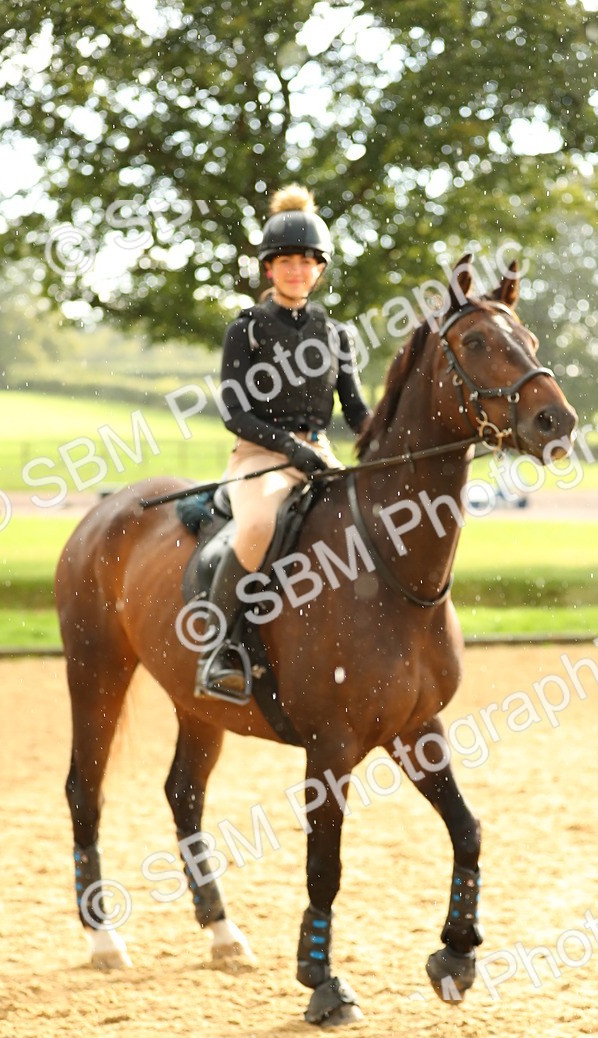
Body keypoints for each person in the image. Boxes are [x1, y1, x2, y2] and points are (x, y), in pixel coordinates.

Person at [195, 185, 371, 702]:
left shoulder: (337, 336)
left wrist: (396, 436)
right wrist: (292, 451)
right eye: (286, 262)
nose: (297, 270)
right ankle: (220, 651)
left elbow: (356, 412)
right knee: (256, 526)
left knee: (371, 525)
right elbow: (234, 413)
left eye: (307, 262)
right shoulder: (245, 330)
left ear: (320, 269)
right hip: (261, 455)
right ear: (269, 269)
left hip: (320, 455)